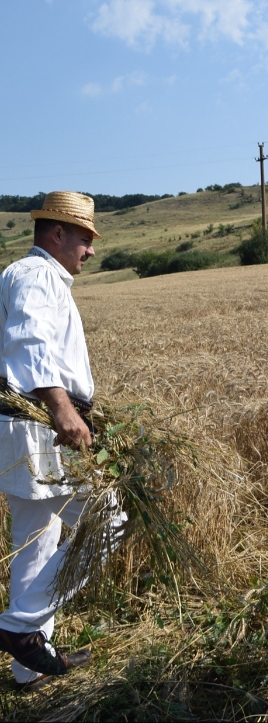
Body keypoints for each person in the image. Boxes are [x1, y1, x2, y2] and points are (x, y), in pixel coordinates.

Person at [0, 192, 124, 688]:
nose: (90, 250)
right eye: (85, 238)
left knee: (37, 539)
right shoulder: (36, 276)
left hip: (32, 425)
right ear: (58, 234)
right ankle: (18, 627)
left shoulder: (34, 275)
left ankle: (28, 663)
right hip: (40, 426)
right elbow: (27, 343)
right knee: (110, 517)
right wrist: (63, 408)